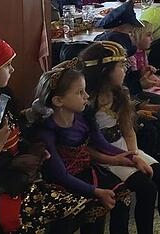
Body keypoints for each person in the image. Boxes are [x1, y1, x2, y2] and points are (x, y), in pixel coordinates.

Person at [0, 35, 97, 233]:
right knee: (56, 207)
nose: (12, 70)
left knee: (78, 208)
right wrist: (9, 162)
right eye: (7, 65)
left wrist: (32, 149)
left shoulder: (4, 95)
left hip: (17, 173)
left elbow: (17, 128)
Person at [79, 42, 160, 234]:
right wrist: (124, 159)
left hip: (125, 150)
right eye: (121, 65)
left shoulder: (120, 94)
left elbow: (128, 130)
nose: (126, 69)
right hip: (102, 158)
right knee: (146, 188)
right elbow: (88, 146)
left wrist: (134, 154)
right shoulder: (87, 102)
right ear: (105, 70)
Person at [31, 63, 137, 234]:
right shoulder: (47, 132)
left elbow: (101, 143)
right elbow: (60, 175)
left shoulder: (84, 117)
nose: (87, 96)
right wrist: (96, 191)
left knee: (122, 194)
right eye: (80, 92)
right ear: (58, 100)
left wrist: (131, 157)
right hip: (64, 183)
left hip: (87, 171)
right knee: (94, 206)